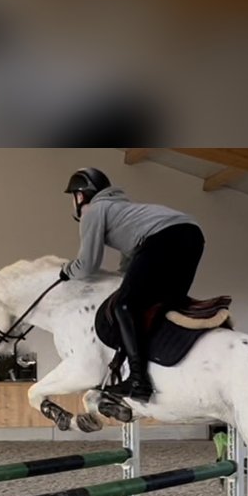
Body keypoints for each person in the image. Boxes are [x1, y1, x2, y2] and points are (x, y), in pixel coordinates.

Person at [59, 167, 205, 402]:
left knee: (123, 307)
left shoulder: (93, 211)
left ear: (81, 196)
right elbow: (131, 263)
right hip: (193, 236)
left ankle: (138, 380)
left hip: (165, 238)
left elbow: (87, 265)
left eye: (74, 197)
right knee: (162, 306)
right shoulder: (126, 212)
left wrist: (66, 270)